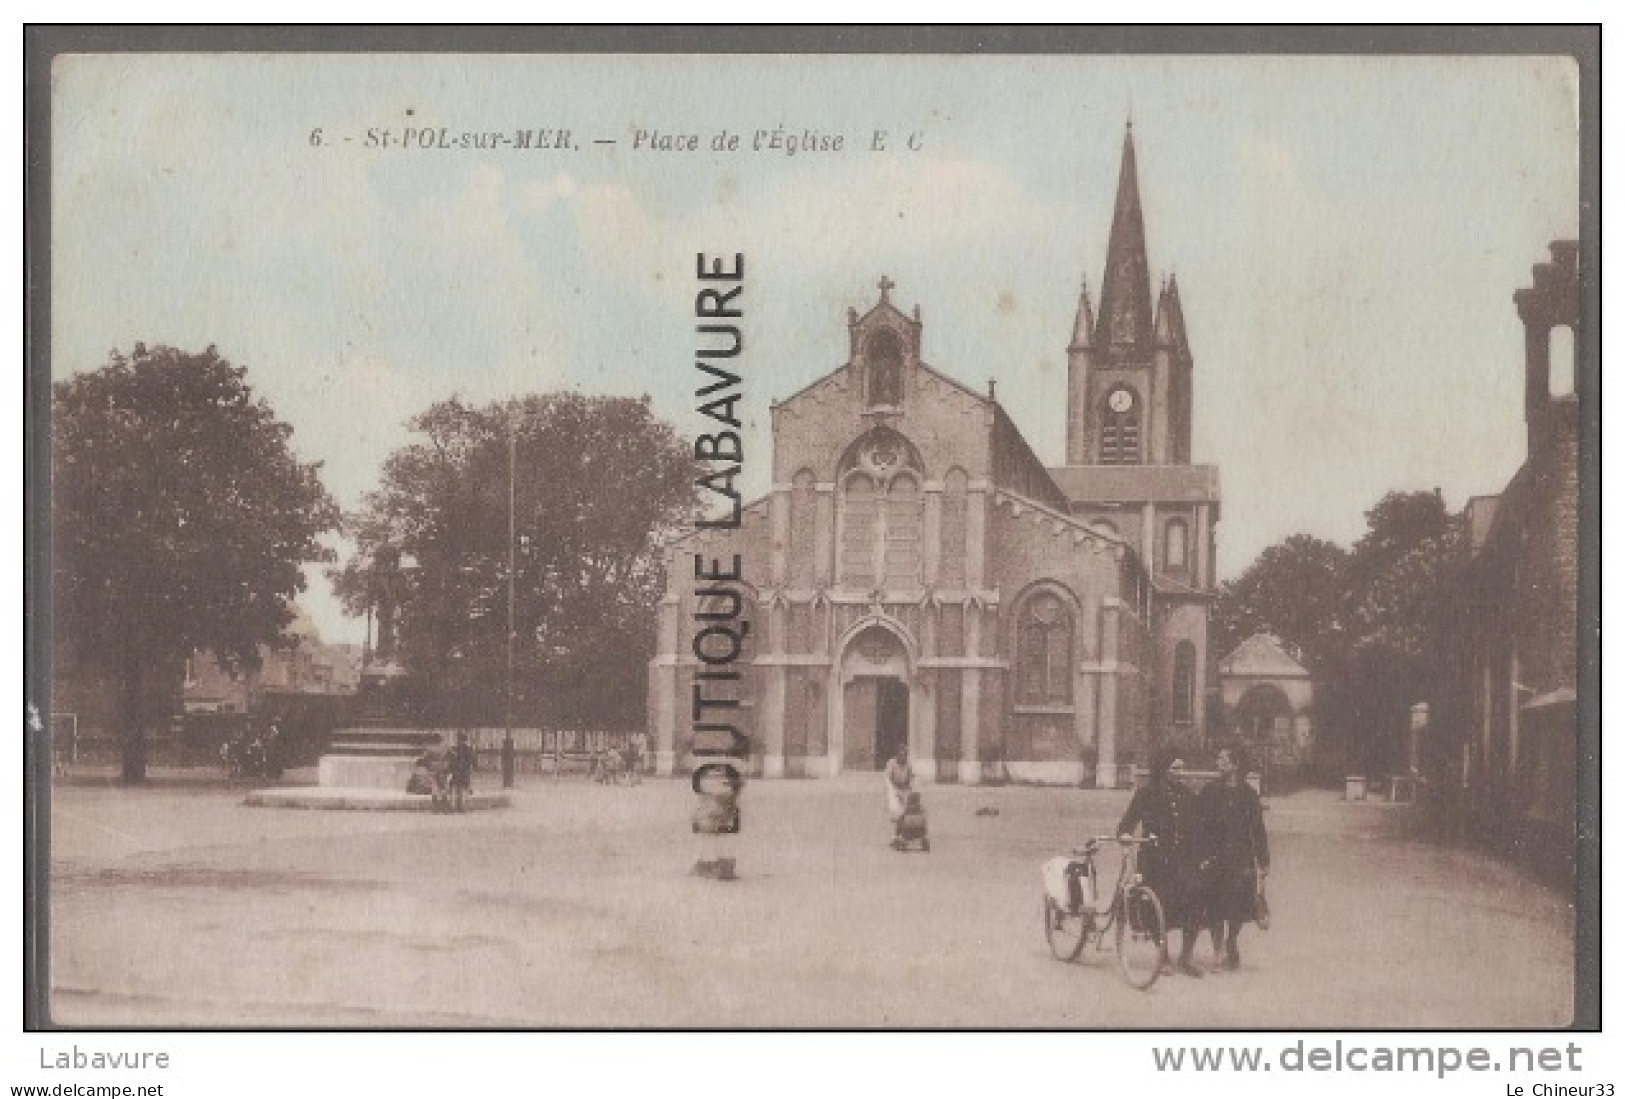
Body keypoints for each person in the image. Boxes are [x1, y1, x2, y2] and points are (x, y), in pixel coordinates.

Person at [1117, 747, 1205, 977]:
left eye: (1182, 768)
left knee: (1195, 898)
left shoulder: (1188, 796)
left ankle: (1186, 956)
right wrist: (1125, 835)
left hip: (1182, 861)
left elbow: (1198, 830)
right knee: (1158, 906)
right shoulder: (1146, 794)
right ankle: (1163, 955)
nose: (1180, 772)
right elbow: (1126, 824)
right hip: (1154, 862)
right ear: (1163, 769)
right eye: (1175, 768)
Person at [1198, 745, 1271, 971]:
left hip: (1241, 859)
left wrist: (1264, 860)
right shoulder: (1210, 791)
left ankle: (1232, 941)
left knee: (1238, 906)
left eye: (1222, 759)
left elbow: (1258, 829)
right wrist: (1200, 855)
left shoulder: (1249, 795)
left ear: (1235, 765)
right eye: (1218, 758)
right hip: (1215, 857)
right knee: (1215, 905)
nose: (1217, 762)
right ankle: (1218, 951)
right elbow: (1199, 826)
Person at [884, 743, 914, 848]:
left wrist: (910, 789)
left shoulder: (908, 764)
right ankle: (897, 835)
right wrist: (894, 792)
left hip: (905, 789)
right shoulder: (891, 763)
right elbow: (888, 778)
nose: (903, 757)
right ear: (897, 755)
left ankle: (901, 834)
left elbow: (911, 777)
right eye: (900, 755)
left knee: (907, 811)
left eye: (905, 755)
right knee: (897, 812)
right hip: (894, 789)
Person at [449, 731, 476, 812]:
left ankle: (453, 806)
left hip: (456, 771)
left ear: (458, 740)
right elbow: (472, 761)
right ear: (466, 740)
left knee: (454, 788)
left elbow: (452, 761)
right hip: (465, 772)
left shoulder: (455, 749)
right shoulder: (469, 749)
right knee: (463, 789)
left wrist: (451, 769)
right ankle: (462, 806)